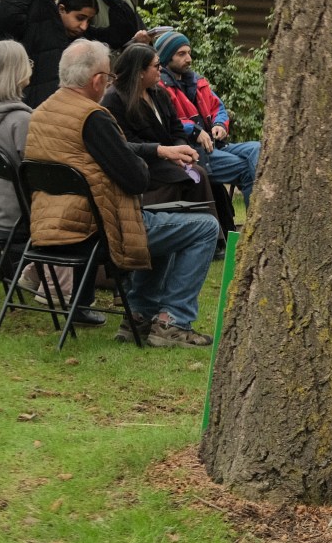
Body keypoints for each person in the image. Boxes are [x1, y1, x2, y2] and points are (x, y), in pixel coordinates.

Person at [23, 39, 220, 348]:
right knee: (204, 228)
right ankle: (174, 322)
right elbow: (136, 177)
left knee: (165, 220)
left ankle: (139, 316)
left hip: (49, 226)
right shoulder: (93, 117)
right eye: (108, 76)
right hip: (96, 229)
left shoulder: (42, 112)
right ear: (98, 80)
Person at [0, 41, 105, 327]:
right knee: (85, 211)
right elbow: (45, 172)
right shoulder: (20, 119)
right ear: (17, 71)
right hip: (19, 218)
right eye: (28, 61)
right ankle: (69, 298)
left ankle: (35, 274)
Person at [0, 0, 139, 106]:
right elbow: (5, 15)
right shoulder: (36, 28)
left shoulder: (82, 38)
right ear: (61, 9)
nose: (84, 26)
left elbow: (122, 35)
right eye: (80, 18)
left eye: (89, 20)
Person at [101, 43, 221, 212]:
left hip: (168, 161)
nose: (161, 69)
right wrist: (164, 152)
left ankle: (213, 234)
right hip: (141, 166)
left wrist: (180, 151)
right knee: (194, 177)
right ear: (140, 71)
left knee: (200, 176)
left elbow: (176, 129)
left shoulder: (159, 93)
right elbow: (123, 145)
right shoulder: (114, 100)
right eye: (156, 66)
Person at [155, 31, 262, 210]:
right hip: (193, 153)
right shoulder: (160, 88)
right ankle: (258, 219)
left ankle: (257, 219)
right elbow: (167, 122)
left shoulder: (197, 82)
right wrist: (194, 131)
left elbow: (218, 107)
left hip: (216, 145)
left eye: (189, 52)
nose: (188, 59)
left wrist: (220, 125)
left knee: (258, 148)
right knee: (246, 168)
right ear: (166, 57)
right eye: (181, 54)